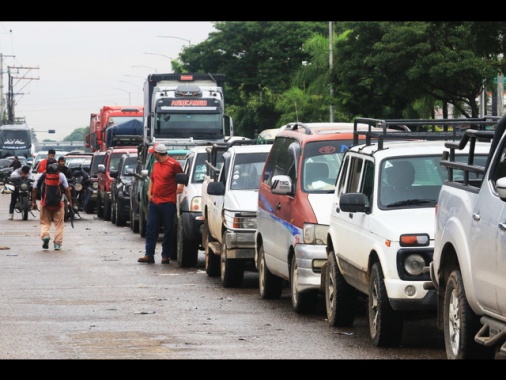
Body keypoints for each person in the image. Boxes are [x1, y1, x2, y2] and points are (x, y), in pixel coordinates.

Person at [138, 143, 184, 264]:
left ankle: (166, 255)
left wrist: (180, 187)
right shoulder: (155, 164)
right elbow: (153, 179)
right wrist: (149, 192)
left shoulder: (174, 164)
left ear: (158, 153)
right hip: (155, 202)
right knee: (151, 228)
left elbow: (182, 177)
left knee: (168, 230)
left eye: (154, 153)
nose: (154, 154)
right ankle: (149, 254)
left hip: (168, 203)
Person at [31, 158, 73, 251]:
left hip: (45, 203)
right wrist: (70, 202)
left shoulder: (40, 176)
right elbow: (67, 189)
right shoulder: (61, 175)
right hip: (59, 204)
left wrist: (33, 202)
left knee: (45, 223)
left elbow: (34, 190)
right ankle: (57, 244)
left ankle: (46, 236)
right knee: (59, 225)